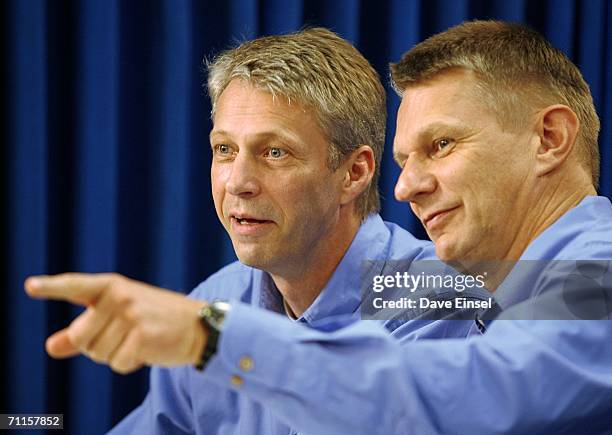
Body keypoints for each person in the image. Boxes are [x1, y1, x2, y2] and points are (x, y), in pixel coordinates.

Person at [26, 21, 612, 434]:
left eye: (442, 145)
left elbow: (464, 396)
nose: (405, 188)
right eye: (223, 150)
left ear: (549, 138)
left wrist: (211, 337)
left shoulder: (576, 273)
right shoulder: (222, 297)